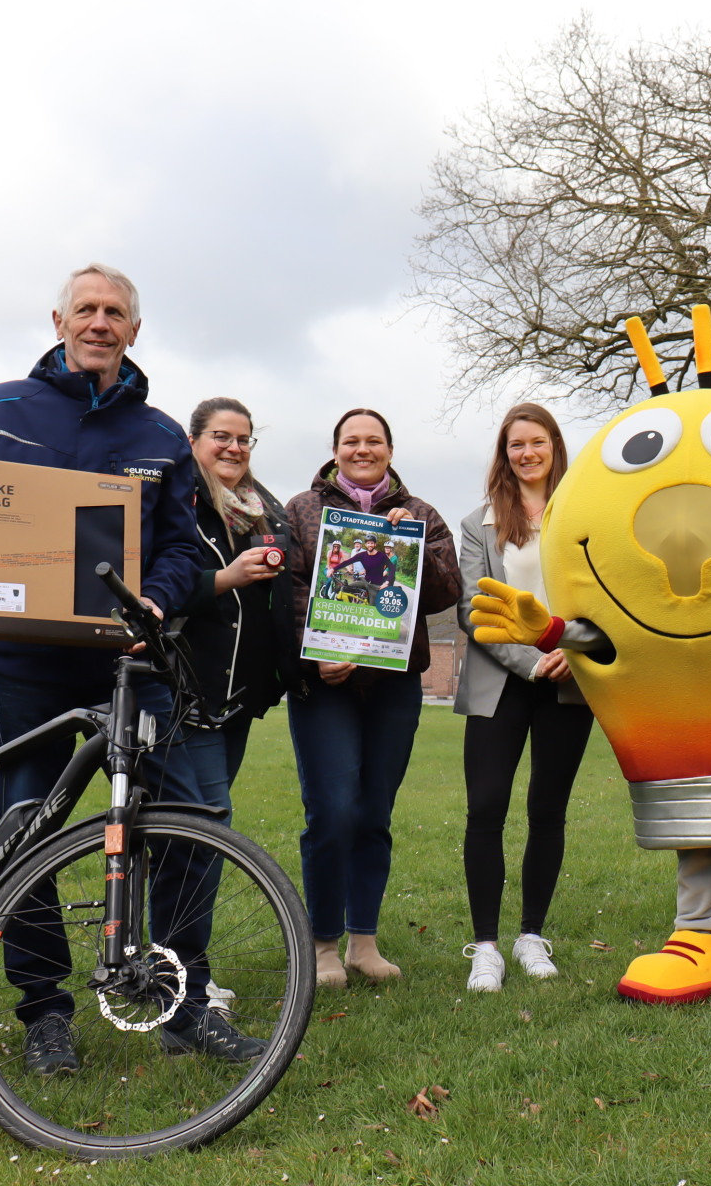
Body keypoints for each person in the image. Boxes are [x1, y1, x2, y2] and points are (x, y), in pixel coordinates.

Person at [0, 264, 263, 1073]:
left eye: (115, 312)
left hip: (129, 662)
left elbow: (181, 549)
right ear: (59, 321)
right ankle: (45, 1013)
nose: (99, 322)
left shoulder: (160, 436)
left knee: (190, 823)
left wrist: (156, 602)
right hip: (27, 663)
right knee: (27, 826)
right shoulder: (0, 406)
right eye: (86, 309)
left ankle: (183, 1001)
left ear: (133, 331)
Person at [283, 408, 460, 987]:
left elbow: (447, 592)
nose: (363, 449)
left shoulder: (421, 514)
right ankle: (323, 944)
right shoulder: (302, 509)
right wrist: (314, 655)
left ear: (390, 449)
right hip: (324, 684)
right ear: (335, 450)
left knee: (373, 812)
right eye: (351, 441)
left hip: (393, 684)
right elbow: (288, 591)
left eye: (374, 441)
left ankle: (364, 941)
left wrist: (412, 545)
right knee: (332, 811)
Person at [453, 403, 594, 991]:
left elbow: (611, 596)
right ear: (504, 454)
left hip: (572, 680)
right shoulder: (478, 524)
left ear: (555, 446)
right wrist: (534, 662)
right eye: (516, 445)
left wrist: (575, 650)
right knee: (486, 808)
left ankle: (531, 935)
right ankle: (486, 946)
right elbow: (473, 611)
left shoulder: (589, 514)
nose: (527, 453)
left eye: (537, 442)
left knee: (547, 810)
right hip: (501, 683)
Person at [172, 397, 299, 809]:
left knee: (192, 822)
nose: (234, 448)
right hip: (189, 693)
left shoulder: (265, 511)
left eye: (244, 440)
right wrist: (225, 579)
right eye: (221, 437)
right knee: (210, 819)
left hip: (239, 698)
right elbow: (154, 588)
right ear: (192, 440)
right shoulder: (174, 503)